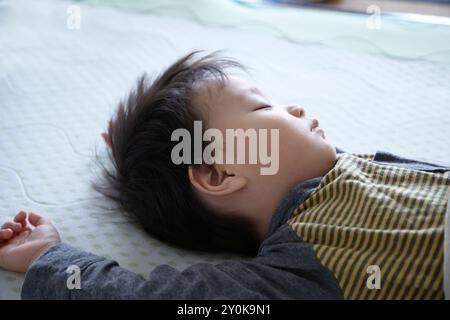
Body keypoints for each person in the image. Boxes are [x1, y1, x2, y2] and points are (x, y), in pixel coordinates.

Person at [1, 50, 449, 299]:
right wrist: (52, 261)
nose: (294, 108)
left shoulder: (346, 169)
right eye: (262, 107)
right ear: (218, 172)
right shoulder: (301, 267)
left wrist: (142, 141)